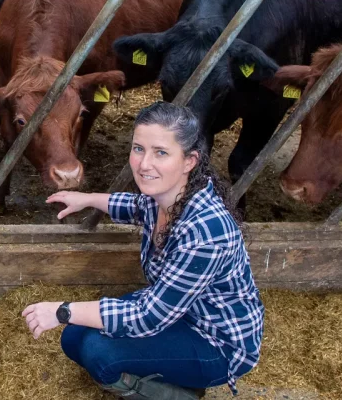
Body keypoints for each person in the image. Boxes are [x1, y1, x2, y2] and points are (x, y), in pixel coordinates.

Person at [22, 101, 264, 400]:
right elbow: (133, 206)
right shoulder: (170, 194)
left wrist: (61, 310)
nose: (144, 163)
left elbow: (148, 316)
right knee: (74, 335)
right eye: (139, 149)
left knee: (99, 353)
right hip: (178, 311)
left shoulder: (206, 235)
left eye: (161, 152)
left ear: (189, 161)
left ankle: (180, 394)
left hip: (216, 341)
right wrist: (86, 198)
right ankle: (171, 369)